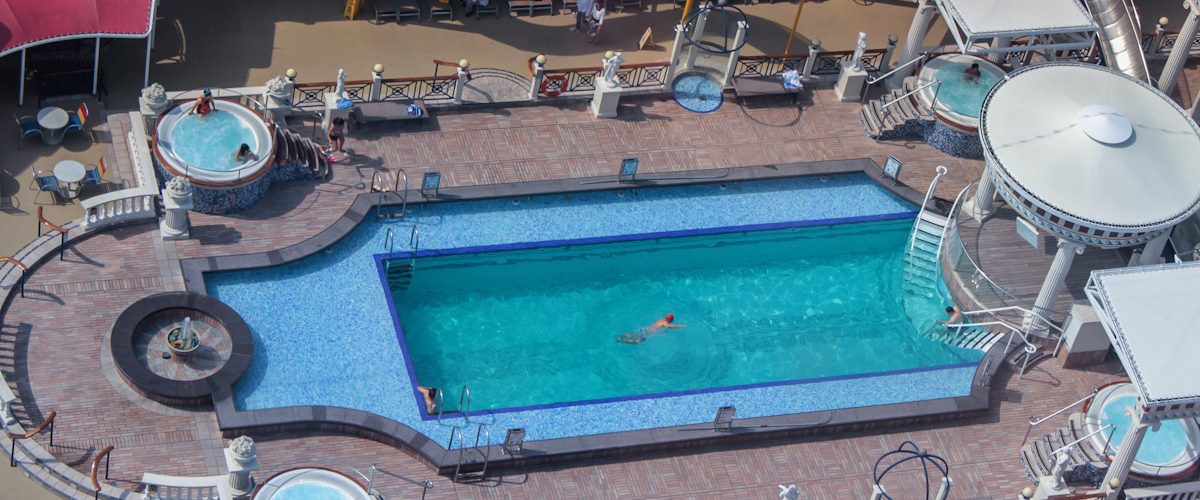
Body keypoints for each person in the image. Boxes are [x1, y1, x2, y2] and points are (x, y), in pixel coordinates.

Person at [617, 313, 685, 344]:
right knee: (638, 341)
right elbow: (669, 326)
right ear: (670, 320)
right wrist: (679, 326)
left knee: (635, 334)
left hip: (644, 328)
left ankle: (623, 335)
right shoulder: (665, 323)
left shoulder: (662, 318)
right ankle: (622, 340)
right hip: (648, 333)